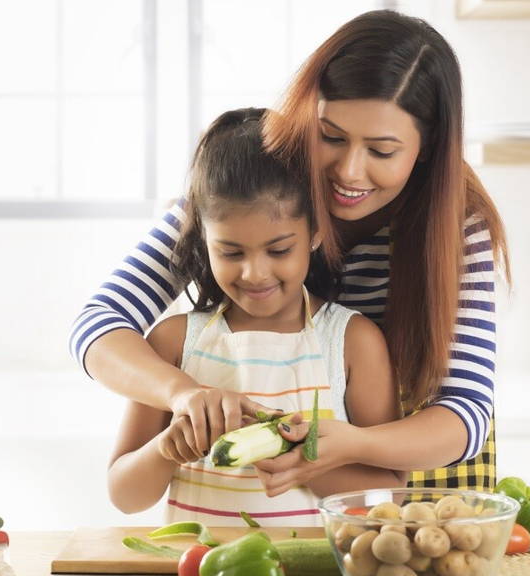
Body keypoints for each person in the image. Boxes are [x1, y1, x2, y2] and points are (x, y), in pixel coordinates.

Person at [71, 10, 510, 494]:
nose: (349, 171)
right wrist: (182, 393)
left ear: (426, 147)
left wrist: (346, 446)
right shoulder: (267, 181)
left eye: (382, 151)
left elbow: (464, 414)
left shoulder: (456, 223)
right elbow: (99, 322)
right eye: (332, 137)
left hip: (417, 467)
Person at [107, 108, 404, 526]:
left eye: (279, 250)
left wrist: (302, 458)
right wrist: (164, 450)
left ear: (316, 233)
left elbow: (390, 496)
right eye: (230, 253)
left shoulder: (353, 341)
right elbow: (124, 495)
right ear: (205, 241)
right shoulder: (175, 341)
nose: (255, 273)